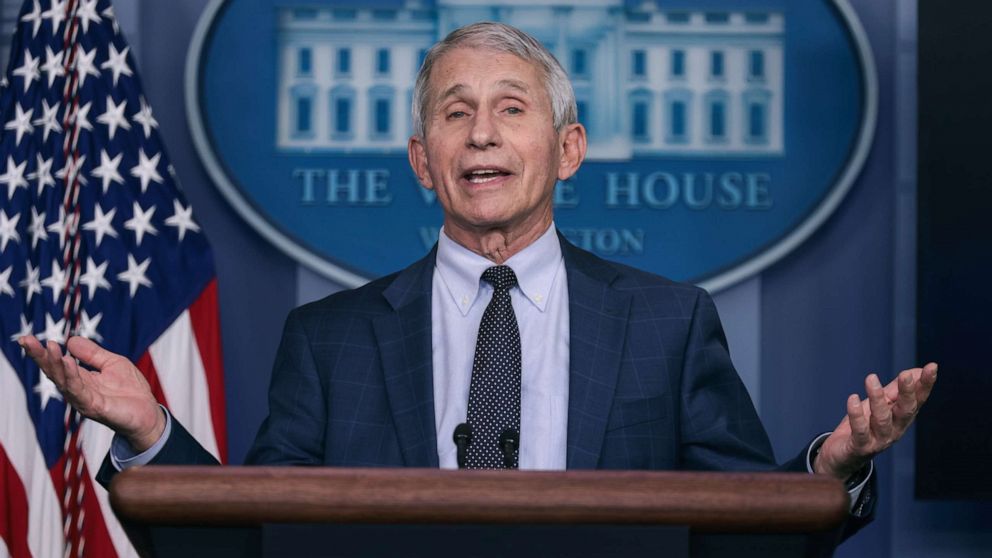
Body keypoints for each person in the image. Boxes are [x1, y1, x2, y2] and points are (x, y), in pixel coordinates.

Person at [20, 21, 935, 538]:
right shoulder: (330, 339)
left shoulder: (670, 322)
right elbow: (256, 542)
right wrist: (149, 432)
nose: (483, 135)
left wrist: (831, 467)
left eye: (510, 109)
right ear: (424, 160)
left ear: (568, 148)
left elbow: (743, 540)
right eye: (456, 114)